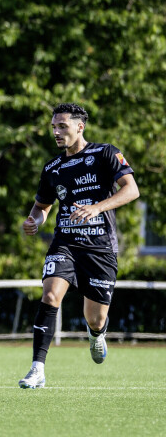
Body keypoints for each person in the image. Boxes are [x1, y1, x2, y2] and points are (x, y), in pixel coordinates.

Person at [18, 103, 140, 389]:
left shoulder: (105, 153)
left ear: (79, 127)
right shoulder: (52, 167)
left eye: (62, 126)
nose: (57, 132)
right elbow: (42, 206)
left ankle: (96, 334)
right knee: (50, 296)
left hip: (100, 248)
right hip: (66, 243)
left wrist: (97, 208)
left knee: (96, 319)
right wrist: (34, 220)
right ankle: (37, 369)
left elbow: (131, 189)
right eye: (54, 127)